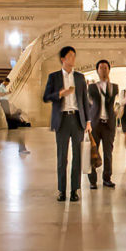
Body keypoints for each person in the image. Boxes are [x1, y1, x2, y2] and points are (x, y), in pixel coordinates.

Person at [43, 45, 91, 202]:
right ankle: (62, 191)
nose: (73, 59)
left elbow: (84, 100)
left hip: (77, 120)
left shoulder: (79, 77)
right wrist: (60, 94)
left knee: (77, 156)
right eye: (70, 56)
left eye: (74, 56)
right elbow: (46, 97)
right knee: (62, 157)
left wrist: (88, 121)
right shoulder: (54, 77)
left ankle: (74, 190)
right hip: (62, 120)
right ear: (63, 59)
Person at [87, 59, 118, 190]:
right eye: (101, 67)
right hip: (95, 123)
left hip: (109, 125)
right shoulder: (92, 87)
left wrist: (107, 81)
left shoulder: (114, 87)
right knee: (92, 152)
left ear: (109, 70)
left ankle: (107, 178)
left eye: (106, 67)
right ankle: (92, 180)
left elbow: (110, 96)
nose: (103, 69)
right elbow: (88, 103)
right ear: (97, 70)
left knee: (108, 153)